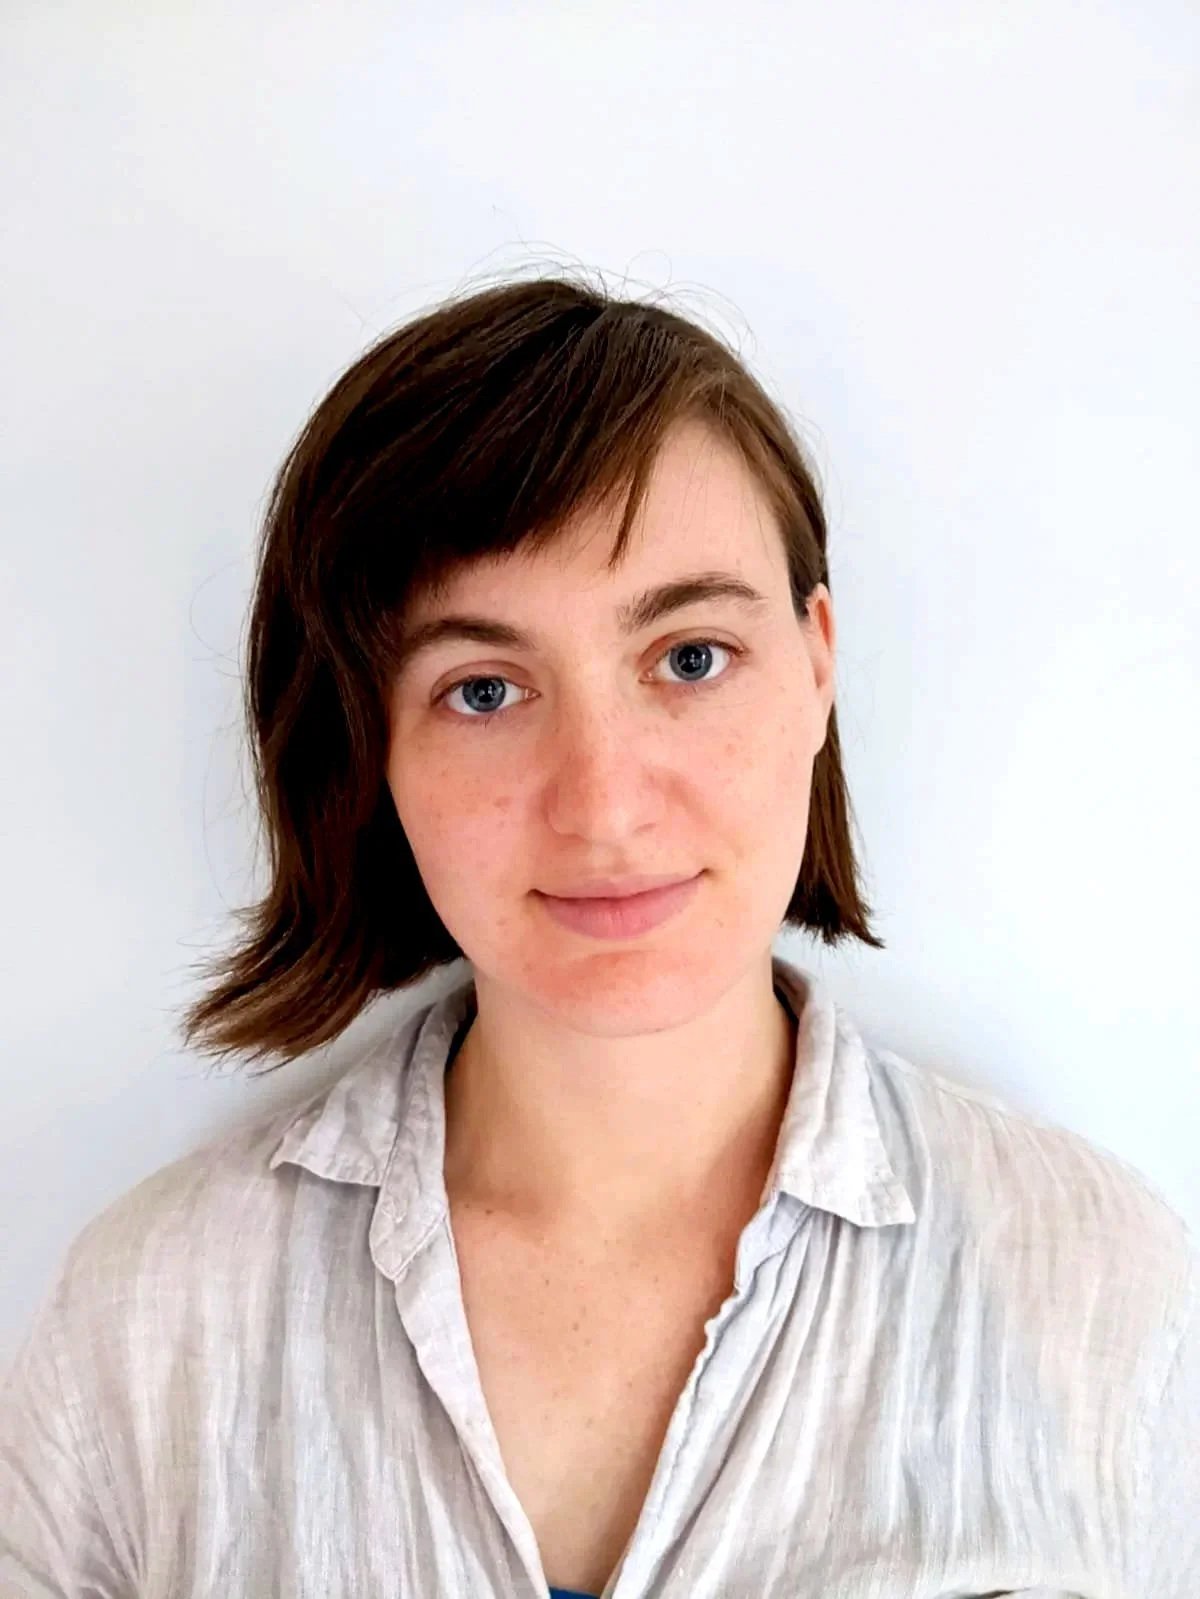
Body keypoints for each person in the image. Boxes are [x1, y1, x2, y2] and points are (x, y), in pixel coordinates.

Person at [1, 272, 1196, 1599]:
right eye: (487, 688)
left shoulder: (1102, 1287)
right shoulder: (150, 1322)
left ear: (815, 665)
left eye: (689, 658)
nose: (607, 804)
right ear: (369, 746)